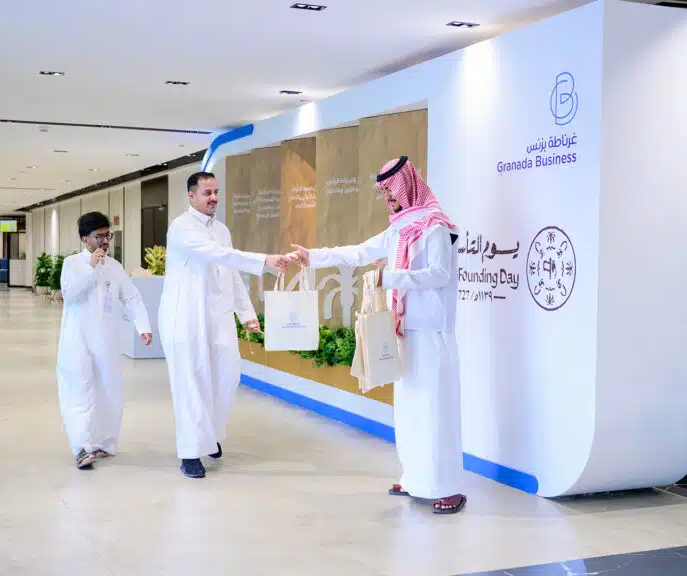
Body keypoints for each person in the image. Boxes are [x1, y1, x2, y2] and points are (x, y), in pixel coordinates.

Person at [287, 156, 466, 514]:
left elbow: (438, 275)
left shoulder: (436, 227)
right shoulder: (399, 228)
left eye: (391, 191)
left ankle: (447, 487)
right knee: (410, 409)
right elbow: (359, 252)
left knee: (435, 409)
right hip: (403, 329)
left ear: (408, 186)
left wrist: (390, 278)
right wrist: (312, 256)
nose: (387, 199)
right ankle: (416, 477)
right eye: (383, 193)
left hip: (431, 331)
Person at [158, 171, 289, 479]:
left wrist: (246, 314)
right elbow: (217, 254)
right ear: (191, 196)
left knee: (227, 375)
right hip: (185, 317)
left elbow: (230, 271)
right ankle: (190, 452)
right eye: (207, 193)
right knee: (191, 381)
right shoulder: (180, 227)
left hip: (217, 316)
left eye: (216, 192)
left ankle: (210, 434)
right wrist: (264, 260)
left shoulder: (222, 230)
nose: (214, 198)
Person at [57, 212, 153, 470]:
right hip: (77, 339)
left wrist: (142, 326)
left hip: (107, 339)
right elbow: (70, 294)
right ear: (83, 239)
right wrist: (90, 266)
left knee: (109, 391)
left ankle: (103, 443)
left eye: (107, 235)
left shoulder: (115, 266)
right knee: (79, 390)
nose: (104, 241)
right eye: (98, 236)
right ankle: (81, 447)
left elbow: (131, 298)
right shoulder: (72, 264)